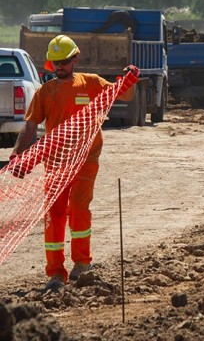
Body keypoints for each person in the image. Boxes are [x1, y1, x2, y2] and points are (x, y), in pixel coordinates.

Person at [10, 35, 138, 291]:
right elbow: (31, 125)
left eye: (64, 62)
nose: (60, 66)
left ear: (75, 59)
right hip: (56, 163)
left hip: (86, 160)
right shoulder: (45, 92)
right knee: (55, 215)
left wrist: (130, 79)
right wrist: (18, 155)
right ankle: (56, 273)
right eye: (56, 62)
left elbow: (123, 96)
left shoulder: (90, 83)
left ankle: (82, 265)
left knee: (79, 209)